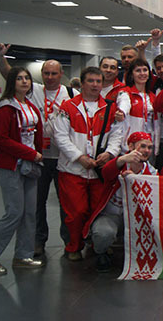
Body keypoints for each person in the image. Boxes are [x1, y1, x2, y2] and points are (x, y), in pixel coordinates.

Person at [0, 44, 75, 257]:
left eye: (54, 73)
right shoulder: (33, 90)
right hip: (38, 157)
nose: (50, 77)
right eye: (46, 73)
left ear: (61, 74)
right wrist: (0, 57)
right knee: (36, 204)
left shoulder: (71, 94)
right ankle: (38, 241)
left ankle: (70, 243)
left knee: (67, 204)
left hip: (63, 157)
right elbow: (9, 74)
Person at [53, 67, 123, 261]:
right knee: (75, 212)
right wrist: (79, 157)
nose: (95, 85)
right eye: (90, 81)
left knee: (98, 209)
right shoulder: (67, 107)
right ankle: (74, 246)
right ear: (82, 83)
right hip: (72, 170)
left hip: (99, 171)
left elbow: (117, 134)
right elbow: (60, 137)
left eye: (98, 81)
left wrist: (109, 153)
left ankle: (97, 244)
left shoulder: (110, 108)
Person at [0, 67, 44, 275]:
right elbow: (1, 140)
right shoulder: (5, 108)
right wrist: (30, 153)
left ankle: (23, 255)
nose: (24, 81)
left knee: (29, 212)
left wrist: (35, 155)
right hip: (11, 165)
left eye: (27, 78)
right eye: (19, 78)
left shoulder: (30, 106)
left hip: (30, 164)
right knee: (14, 212)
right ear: (11, 83)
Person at [84, 132, 157, 272]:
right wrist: (122, 159)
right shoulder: (119, 165)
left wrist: (136, 180)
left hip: (137, 218)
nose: (147, 151)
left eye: (149, 147)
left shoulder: (152, 172)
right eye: (142, 146)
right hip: (112, 216)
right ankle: (101, 252)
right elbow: (106, 172)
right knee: (103, 233)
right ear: (131, 146)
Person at [116, 59, 159, 161]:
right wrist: (122, 112)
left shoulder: (152, 97)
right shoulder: (125, 93)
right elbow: (124, 104)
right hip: (130, 148)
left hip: (149, 148)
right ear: (132, 74)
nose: (142, 73)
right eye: (138, 70)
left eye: (145, 70)